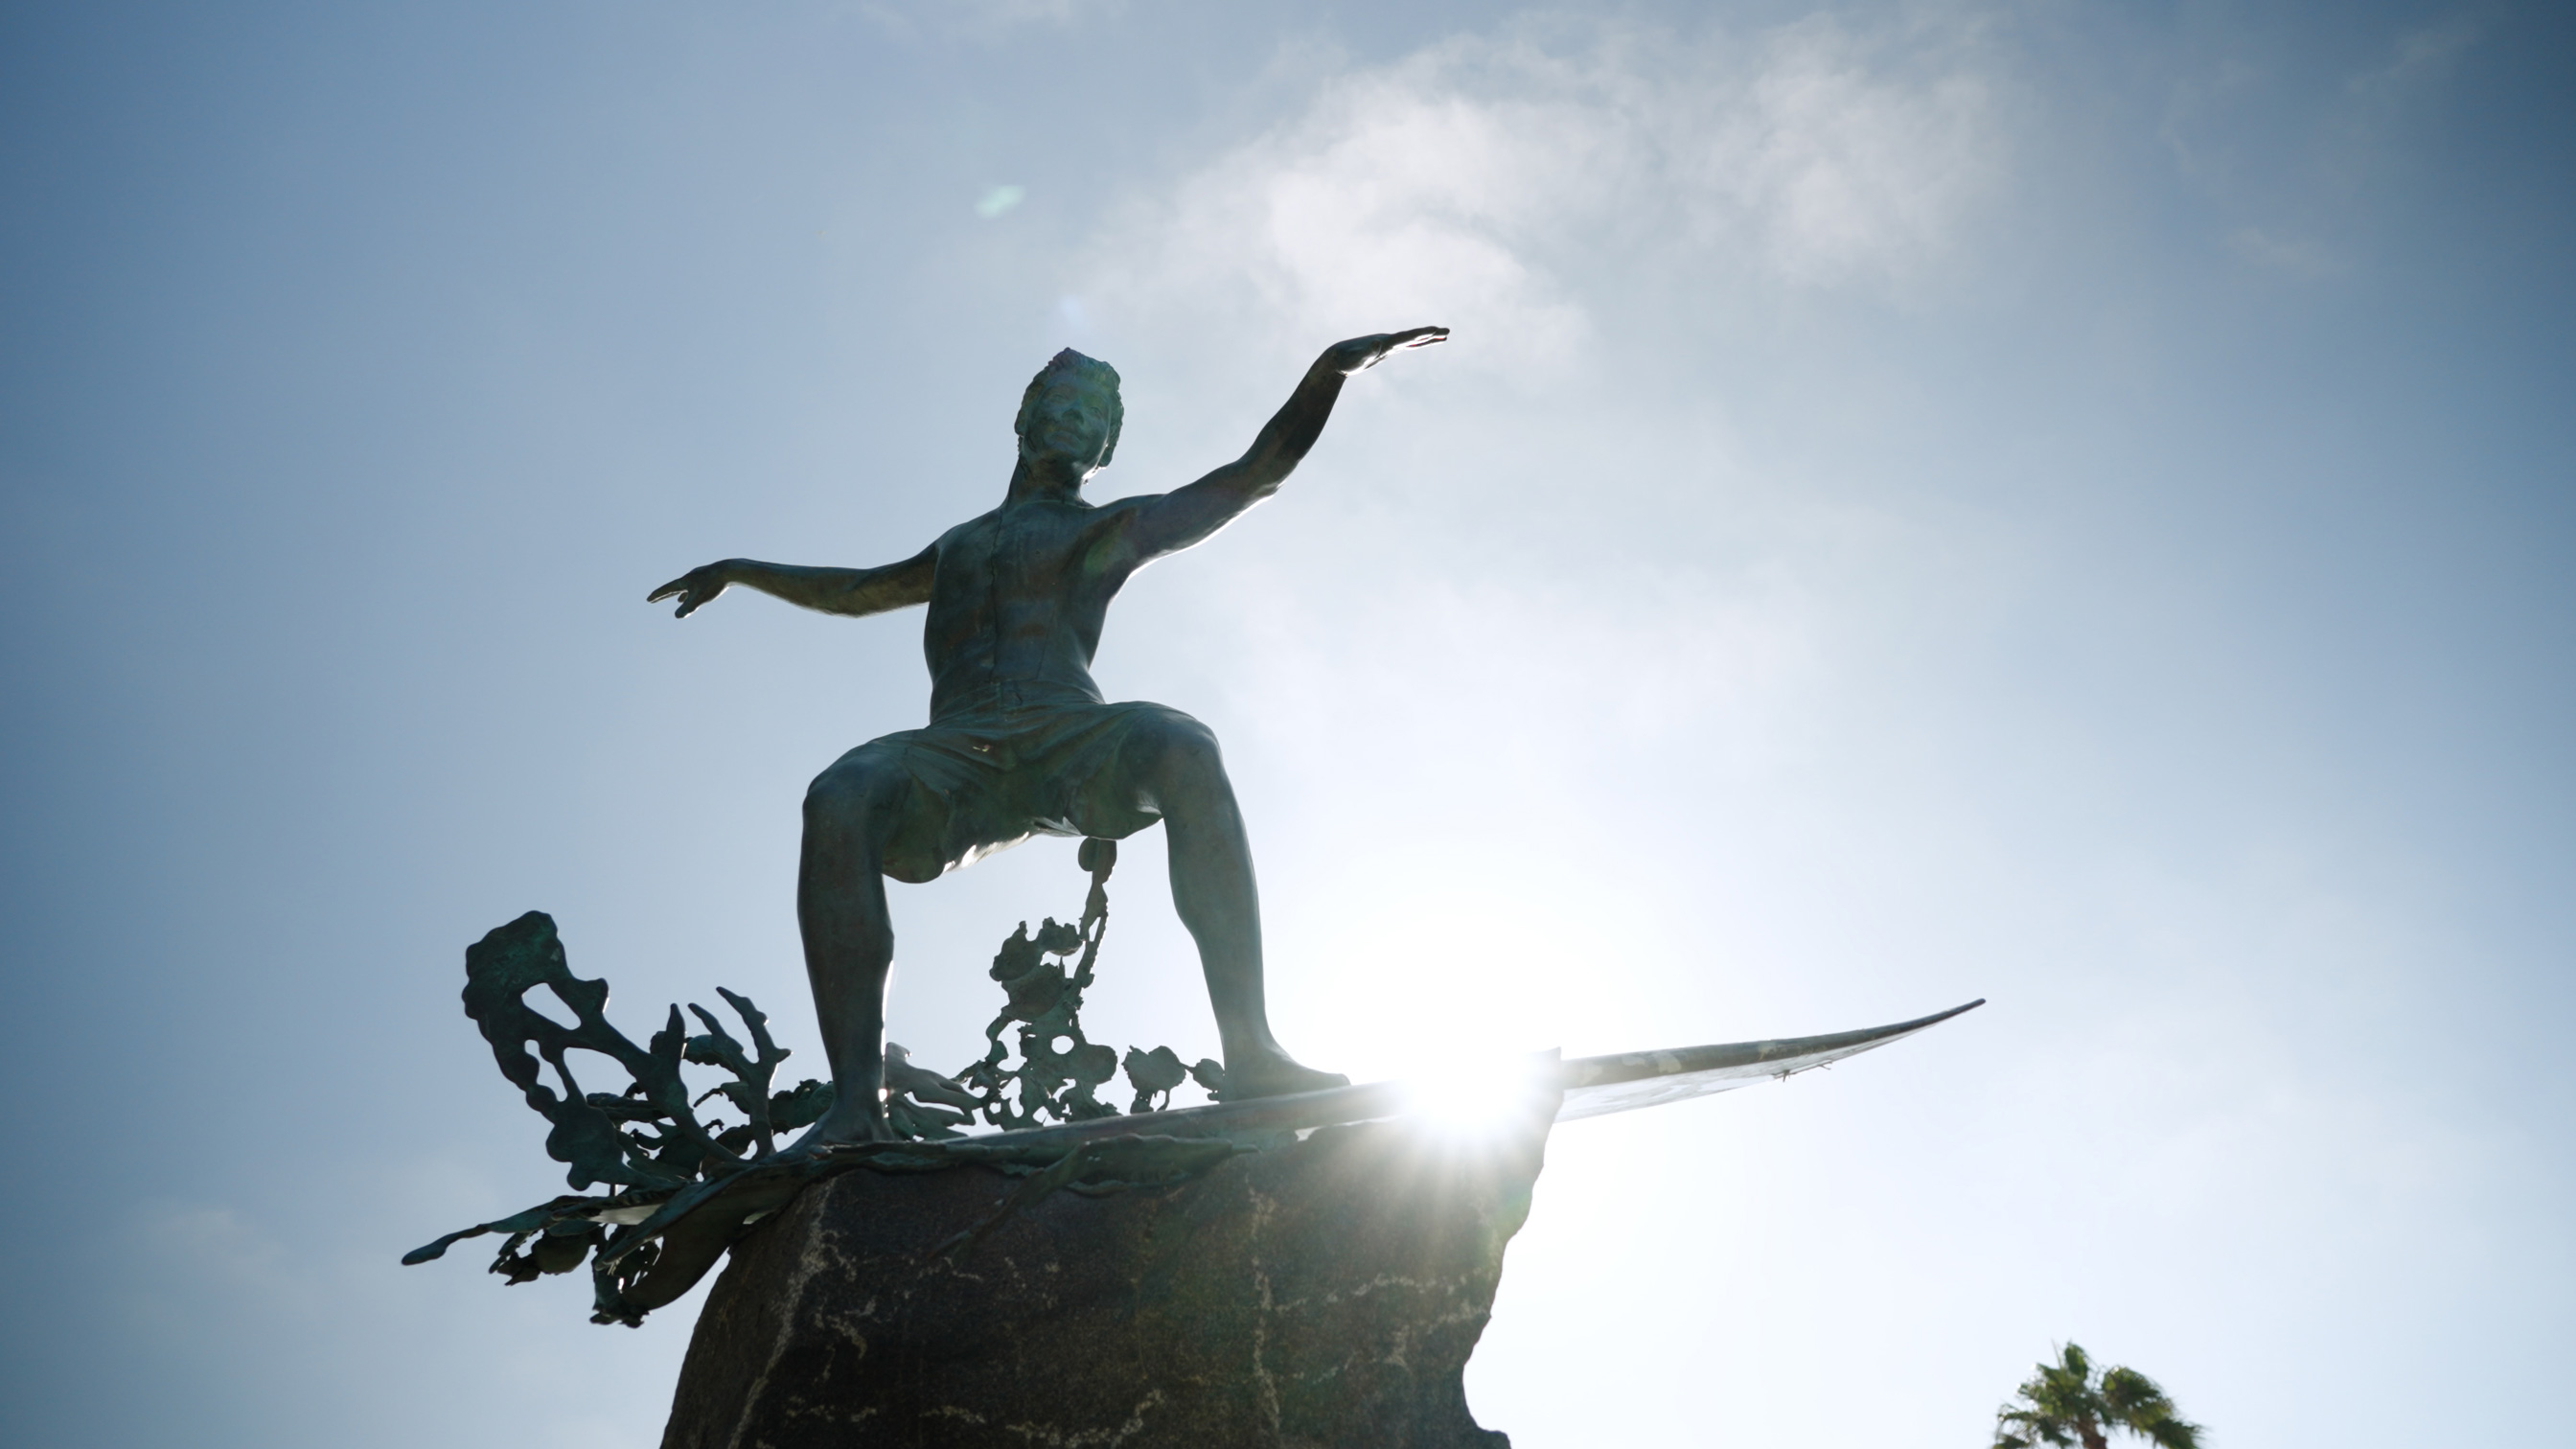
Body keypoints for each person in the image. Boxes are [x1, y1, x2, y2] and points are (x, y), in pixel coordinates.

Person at [650, 326, 1448, 1144]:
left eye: (1094, 416)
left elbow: (1251, 476)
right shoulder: (958, 546)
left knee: (1182, 742)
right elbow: (854, 591)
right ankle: (858, 1104)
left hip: (1069, 739)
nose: (1074, 419)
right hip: (955, 755)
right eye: (1061, 404)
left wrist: (1329, 373)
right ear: (1025, 418)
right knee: (841, 791)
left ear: (1104, 449)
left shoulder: (1109, 532)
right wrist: (742, 570)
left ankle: (1251, 1047)